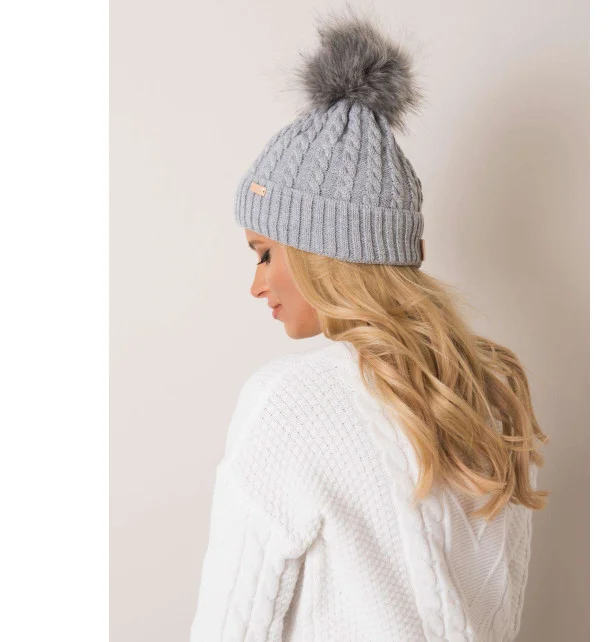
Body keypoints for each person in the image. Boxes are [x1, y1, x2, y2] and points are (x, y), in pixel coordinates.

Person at [190, 9, 550, 641]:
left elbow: (232, 628)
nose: (257, 284)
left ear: (324, 249)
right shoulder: (494, 391)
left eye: (265, 253)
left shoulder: (288, 403)